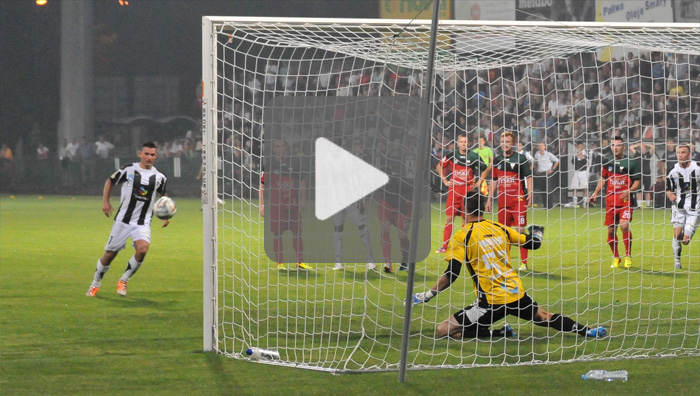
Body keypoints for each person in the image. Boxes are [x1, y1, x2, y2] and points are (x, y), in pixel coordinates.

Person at [410, 190, 607, 340]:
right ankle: (587, 331)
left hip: (491, 302)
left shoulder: (462, 236)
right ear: (484, 206)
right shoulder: (499, 228)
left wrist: (428, 294)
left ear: (463, 210)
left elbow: (452, 273)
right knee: (543, 316)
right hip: (515, 293)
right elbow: (534, 243)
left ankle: (498, 333)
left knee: (445, 330)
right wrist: (538, 232)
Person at [86, 142, 169, 297]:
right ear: (140, 154)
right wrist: (106, 202)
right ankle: (95, 283)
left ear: (156, 156)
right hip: (123, 221)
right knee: (110, 255)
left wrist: (165, 215)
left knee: (143, 249)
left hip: (143, 222)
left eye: (152, 155)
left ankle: (123, 280)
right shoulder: (129, 169)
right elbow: (110, 181)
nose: (149, 157)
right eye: (146, 154)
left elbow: (163, 196)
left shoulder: (160, 177)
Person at [588, 136, 641, 269]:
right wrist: (595, 193)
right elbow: (603, 179)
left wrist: (629, 190)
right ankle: (616, 257)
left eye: (618, 145)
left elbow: (637, 181)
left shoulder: (631, 162)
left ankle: (628, 255)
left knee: (624, 226)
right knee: (611, 232)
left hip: (626, 201)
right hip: (611, 202)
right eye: (612, 145)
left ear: (623, 147)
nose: (615, 148)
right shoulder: (607, 161)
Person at [259, 139, 310, 270]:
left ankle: (300, 262)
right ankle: (280, 262)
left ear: (287, 148)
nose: (280, 148)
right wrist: (262, 205)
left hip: (293, 204)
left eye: (283, 145)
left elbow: (302, 180)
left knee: (298, 233)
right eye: (277, 146)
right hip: (277, 206)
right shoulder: (269, 165)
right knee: (278, 233)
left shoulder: (295, 163)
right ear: (274, 149)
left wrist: (303, 199)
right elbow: (262, 185)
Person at [485, 131, 533, 271]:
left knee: (520, 230)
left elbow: (529, 177)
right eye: (503, 141)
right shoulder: (497, 160)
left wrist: (530, 193)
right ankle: (505, 261)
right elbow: (494, 180)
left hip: (518, 200)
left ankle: (524, 262)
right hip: (502, 202)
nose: (505, 144)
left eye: (508, 141)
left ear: (513, 143)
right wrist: (489, 199)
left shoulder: (521, 159)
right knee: (503, 233)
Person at [436, 133, 489, 253]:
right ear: (458, 143)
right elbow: (439, 166)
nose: (464, 144)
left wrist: (480, 181)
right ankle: (445, 246)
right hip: (454, 190)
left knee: (467, 219)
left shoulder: (474, 156)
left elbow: (486, 168)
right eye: (462, 141)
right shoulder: (451, 155)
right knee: (449, 218)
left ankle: (464, 245)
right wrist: (445, 180)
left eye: (466, 142)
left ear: (469, 143)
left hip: (468, 191)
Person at [665, 143, 700, 269]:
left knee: (685, 240)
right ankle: (677, 262)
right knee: (677, 234)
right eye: (678, 153)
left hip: (694, 209)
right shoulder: (673, 170)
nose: (680, 155)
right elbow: (668, 188)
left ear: (689, 154)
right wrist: (670, 195)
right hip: (678, 207)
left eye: (683, 152)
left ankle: (688, 232)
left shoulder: (698, 168)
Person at [533, 142, 559, 209]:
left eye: (542, 146)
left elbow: (557, 160)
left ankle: (550, 205)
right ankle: (545, 205)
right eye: (540, 146)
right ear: (538, 147)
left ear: (545, 147)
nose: (541, 147)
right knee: (543, 190)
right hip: (540, 174)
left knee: (549, 189)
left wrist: (552, 169)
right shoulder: (536, 155)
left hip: (547, 173)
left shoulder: (549, 154)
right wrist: (535, 170)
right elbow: (534, 162)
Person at [569, 141, 589, 208]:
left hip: (583, 172)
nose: (579, 147)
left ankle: (584, 203)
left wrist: (580, 154)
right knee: (575, 188)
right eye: (578, 146)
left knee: (585, 188)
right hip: (576, 172)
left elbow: (584, 162)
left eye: (580, 146)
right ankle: (575, 203)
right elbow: (573, 162)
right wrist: (577, 154)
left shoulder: (586, 152)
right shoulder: (575, 153)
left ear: (582, 146)